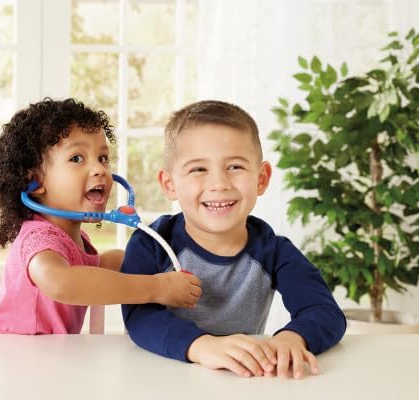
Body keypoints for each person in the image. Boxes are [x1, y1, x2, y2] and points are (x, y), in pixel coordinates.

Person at [121, 100, 346, 379]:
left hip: (242, 382)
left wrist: (293, 338)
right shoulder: (150, 245)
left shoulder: (275, 252)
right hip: (161, 378)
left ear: (261, 179)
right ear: (170, 184)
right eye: (198, 169)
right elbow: (138, 316)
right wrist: (201, 346)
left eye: (235, 166)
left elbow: (324, 311)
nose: (219, 184)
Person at [0, 98, 201, 335]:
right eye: (76, 158)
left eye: (102, 158)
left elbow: (94, 267)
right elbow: (61, 282)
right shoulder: (38, 238)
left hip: (42, 352)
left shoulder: (74, 238)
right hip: (10, 349)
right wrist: (156, 288)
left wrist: (145, 260)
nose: (100, 168)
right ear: (35, 181)